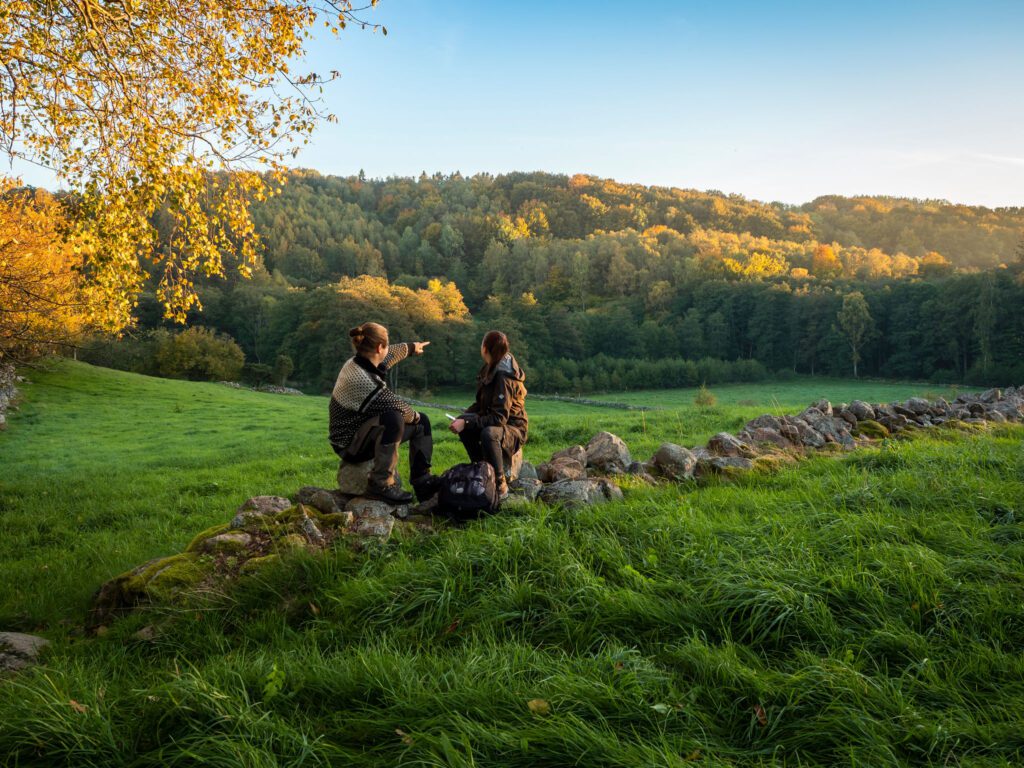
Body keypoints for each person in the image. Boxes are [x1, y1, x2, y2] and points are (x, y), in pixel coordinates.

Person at [329, 322, 434, 504]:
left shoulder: (361, 361)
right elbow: (400, 408)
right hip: (348, 444)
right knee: (394, 418)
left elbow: (390, 353)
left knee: (422, 423)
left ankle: (422, 482)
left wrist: (411, 347)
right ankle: (381, 485)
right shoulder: (363, 380)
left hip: (362, 430)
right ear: (379, 347)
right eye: (385, 344)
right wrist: (415, 417)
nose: (387, 349)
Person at [449, 330, 528, 501]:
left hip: (513, 428)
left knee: (488, 433)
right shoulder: (490, 368)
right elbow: (480, 405)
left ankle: (500, 482)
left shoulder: (503, 376)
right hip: (499, 422)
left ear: (485, 348)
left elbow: (499, 419)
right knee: (466, 427)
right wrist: (463, 418)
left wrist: (468, 422)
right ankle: (481, 471)